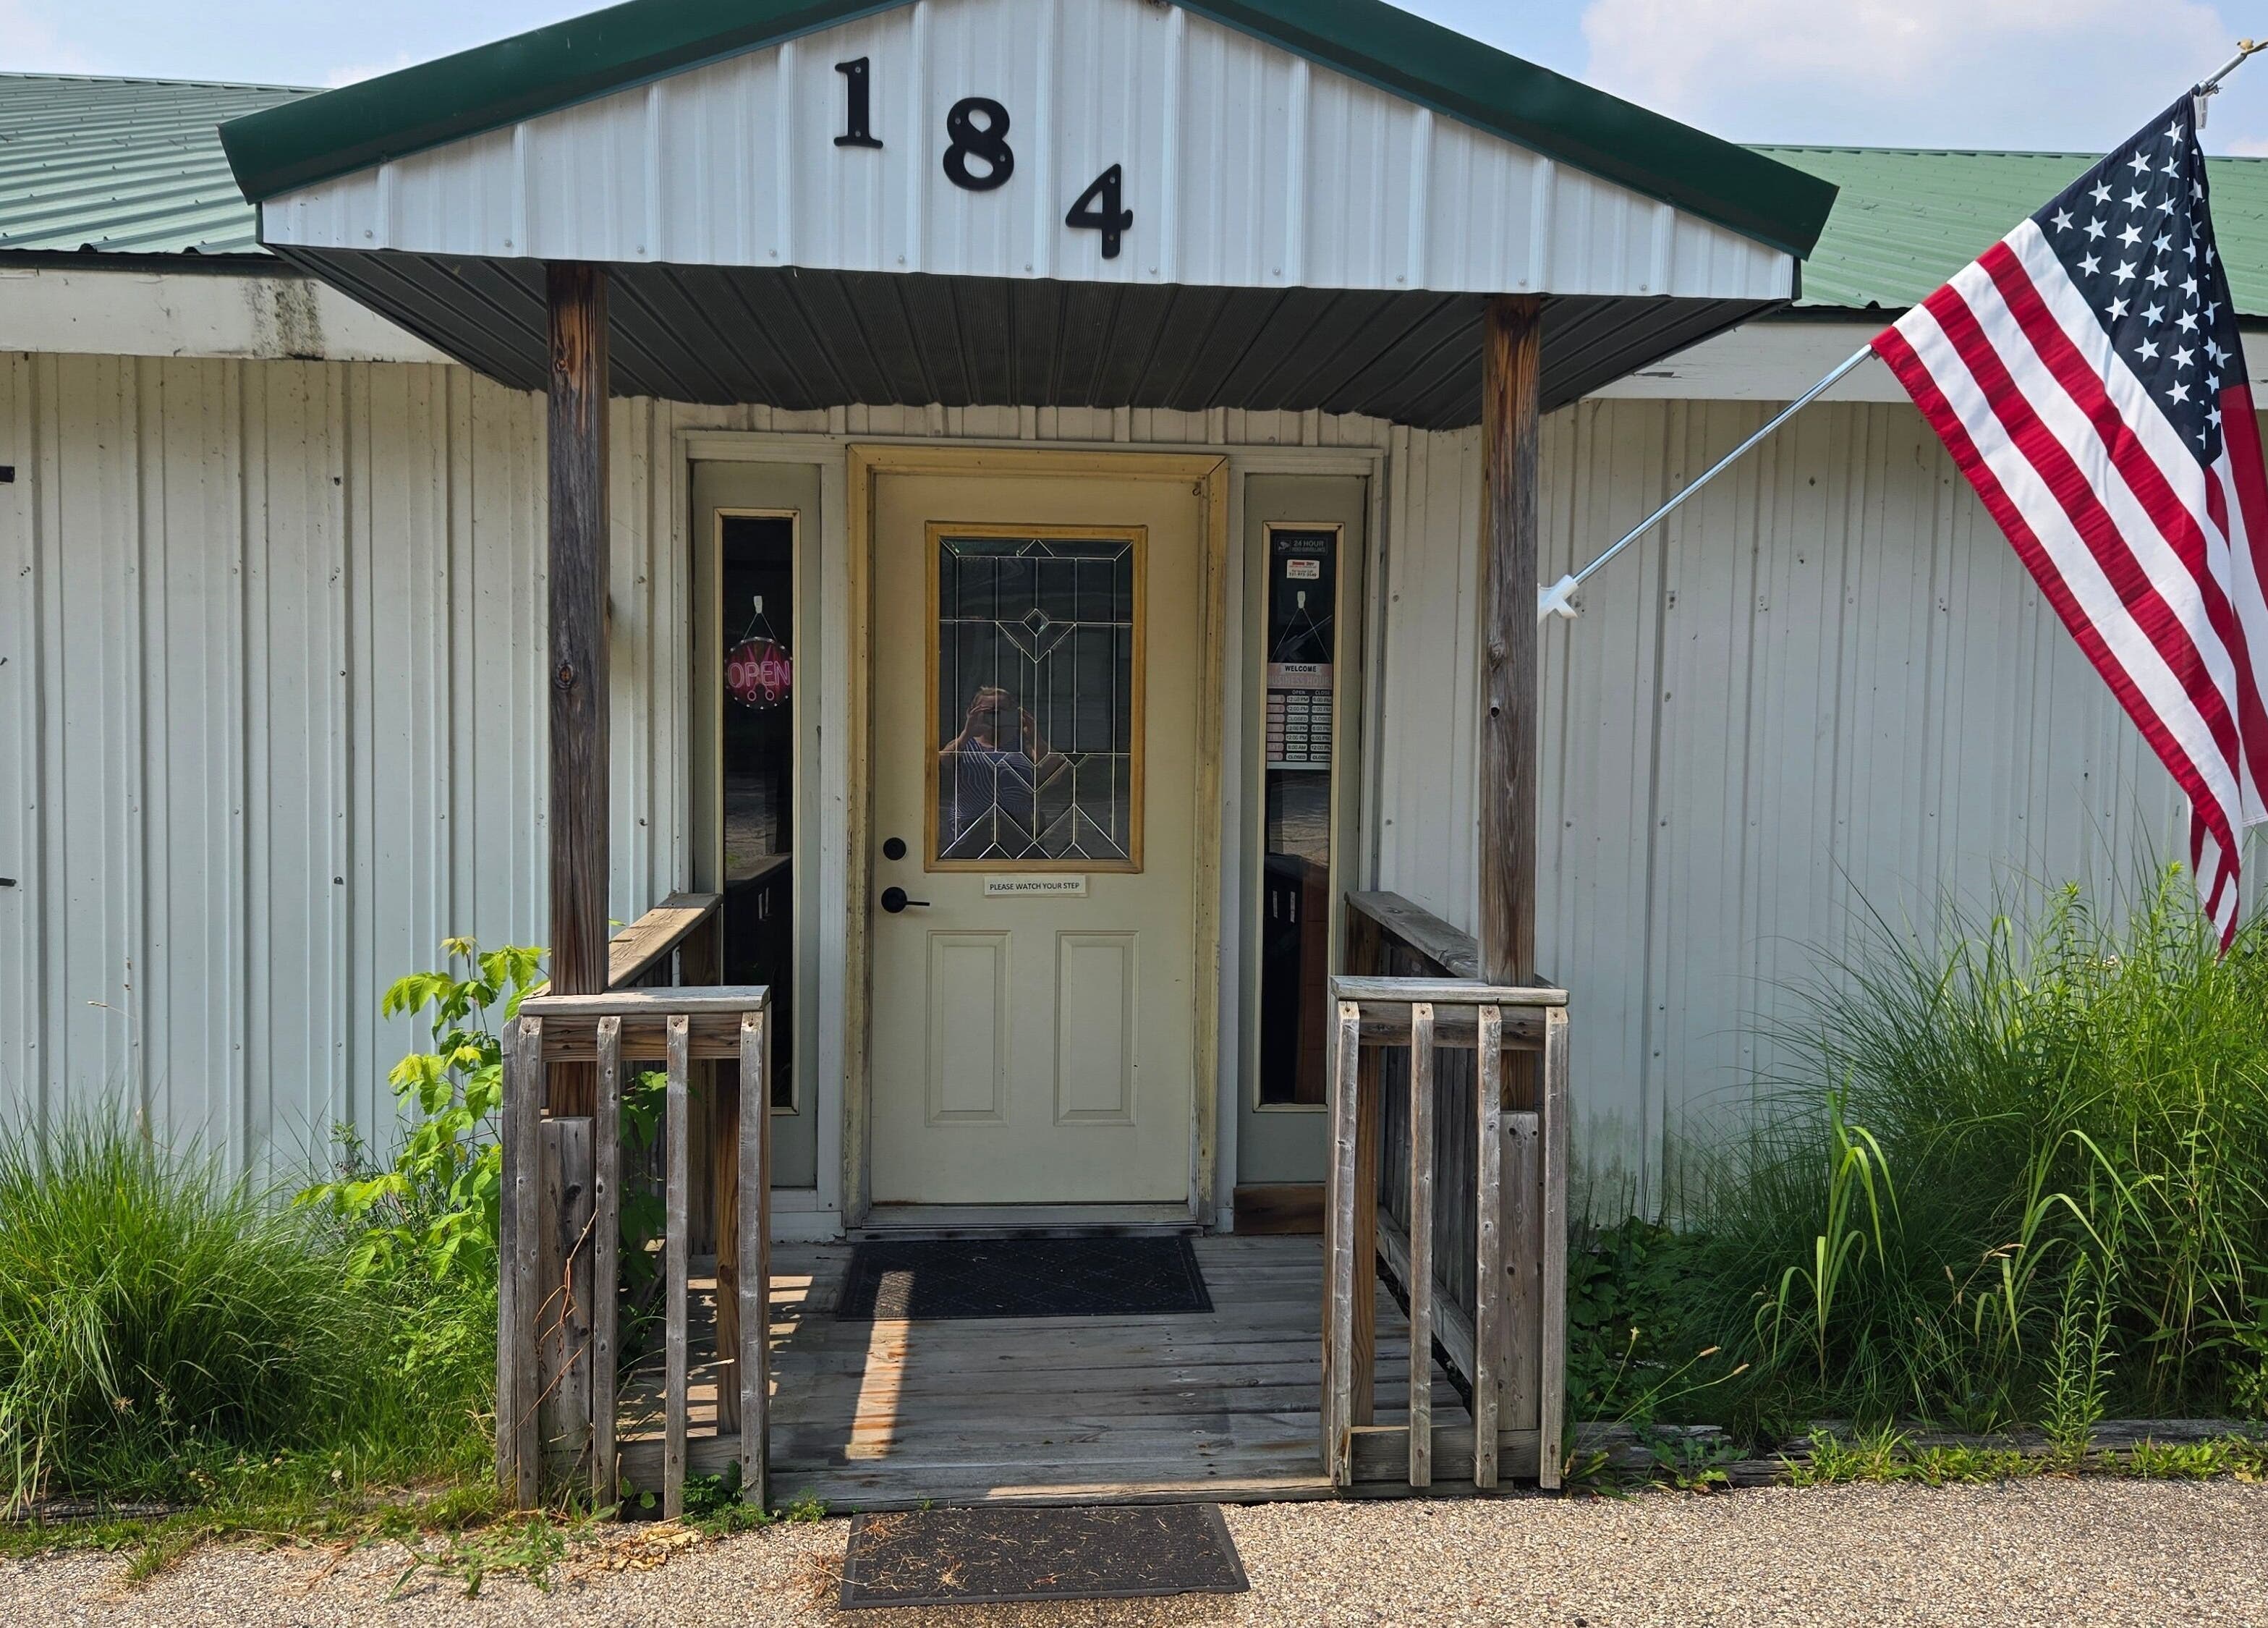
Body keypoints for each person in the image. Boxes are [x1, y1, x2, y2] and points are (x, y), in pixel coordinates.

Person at [938, 684, 1069, 855]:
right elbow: (942, 763)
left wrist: (1035, 736)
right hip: (969, 830)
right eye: (989, 711)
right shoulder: (963, 743)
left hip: (1020, 831)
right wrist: (967, 733)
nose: (995, 716)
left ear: (1012, 713)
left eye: (1002, 711)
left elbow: (1053, 775)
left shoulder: (1024, 744)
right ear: (973, 712)